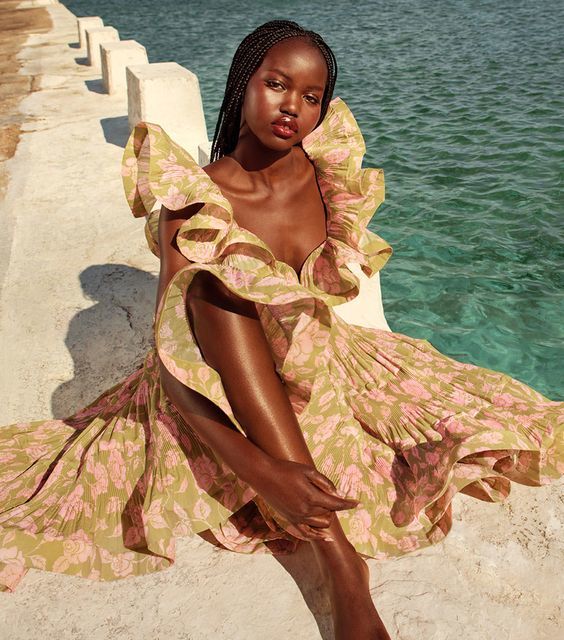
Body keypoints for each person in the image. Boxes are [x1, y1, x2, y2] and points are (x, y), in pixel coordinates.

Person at [0, 18, 562, 640]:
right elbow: (169, 352)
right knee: (217, 286)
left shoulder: (326, 181)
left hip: (315, 364)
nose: (292, 105)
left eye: (311, 96)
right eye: (276, 84)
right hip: (212, 381)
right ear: (244, 85)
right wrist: (260, 471)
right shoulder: (197, 200)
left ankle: (329, 545)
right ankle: (340, 561)